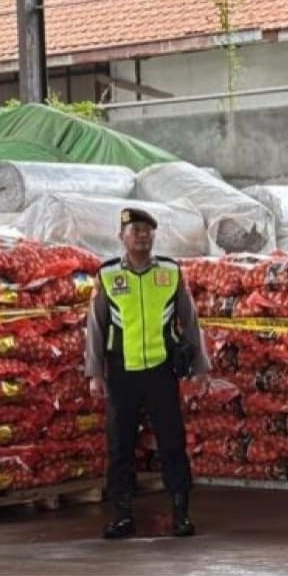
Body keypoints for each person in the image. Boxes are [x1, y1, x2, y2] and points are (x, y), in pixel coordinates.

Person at [84, 207, 210, 539]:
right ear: (121, 237)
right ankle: (122, 515)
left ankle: (181, 513)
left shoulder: (169, 271)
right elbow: (96, 326)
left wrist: (200, 366)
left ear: (154, 236)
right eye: (135, 230)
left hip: (161, 372)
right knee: (120, 445)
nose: (141, 236)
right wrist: (95, 373)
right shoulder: (108, 275)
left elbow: (190, 321)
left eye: (147, 230)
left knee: (172, 442)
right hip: (121, 372)